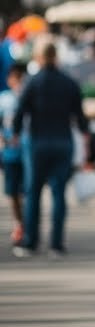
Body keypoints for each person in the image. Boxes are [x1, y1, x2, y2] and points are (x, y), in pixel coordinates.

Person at [11, 43, 90, 258]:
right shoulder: (69, 83)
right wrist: (85, 135)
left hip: (36, 142)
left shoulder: (32, 82)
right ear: (56, 57)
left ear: (38, 57)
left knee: (33, 192)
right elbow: (80, 116)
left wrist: (16, 133)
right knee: (58, 194)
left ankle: (30, 242)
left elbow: (20, 111)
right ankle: (56, 244)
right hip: (62, 141)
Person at [0, 63, 27, 245]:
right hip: (10, 152)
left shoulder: (29, 96)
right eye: (14, 78)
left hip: (28, 152)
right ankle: (19, 223)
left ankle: (27, 225)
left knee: (27, 191)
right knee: (12, 192)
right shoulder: (4, 99)